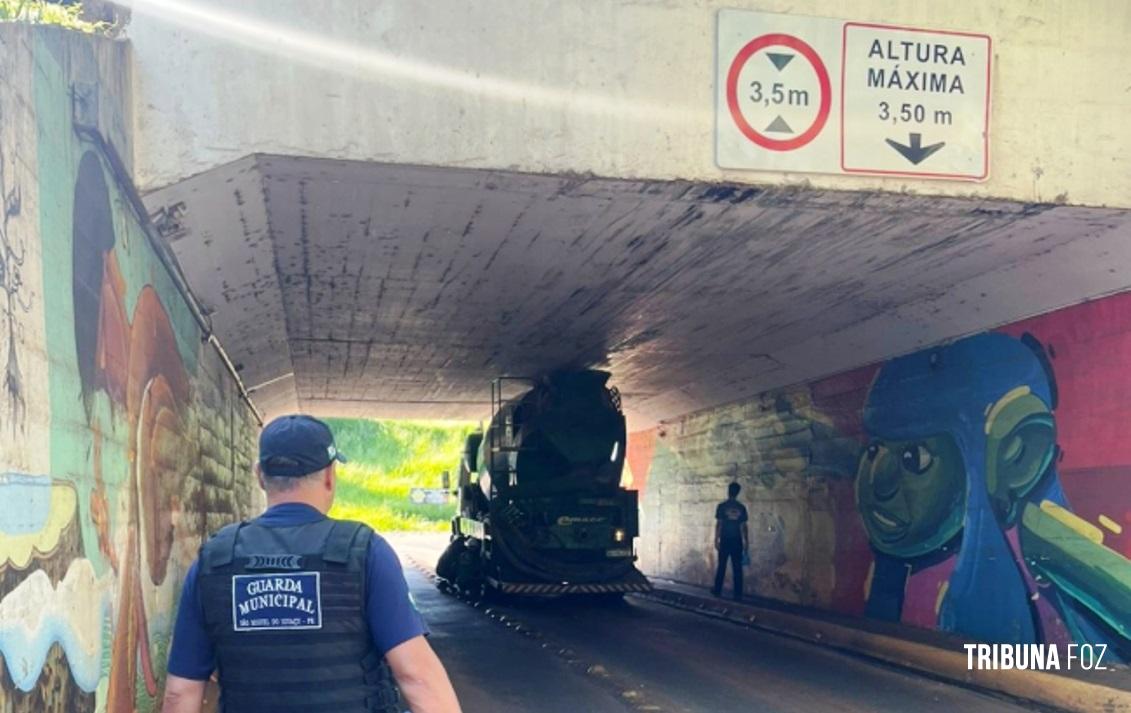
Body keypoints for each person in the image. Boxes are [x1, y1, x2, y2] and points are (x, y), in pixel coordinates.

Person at [161, 414, 462, 713]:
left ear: (259, 476)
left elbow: (180, 693)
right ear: (330, 475)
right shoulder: (365, 552)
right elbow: (417, 677)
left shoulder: (214, 560)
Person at [712, 481, 748, 601]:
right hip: (736, 541)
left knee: (721, 565)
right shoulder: (741, 508)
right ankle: (738, 594)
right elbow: (743, 526)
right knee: (737, 568)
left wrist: (716, 539)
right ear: (738, 493)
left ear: (728, 491)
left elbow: (719, 524)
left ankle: (717, 590)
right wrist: (746, 542)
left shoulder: (722, 506)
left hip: (725, 540)